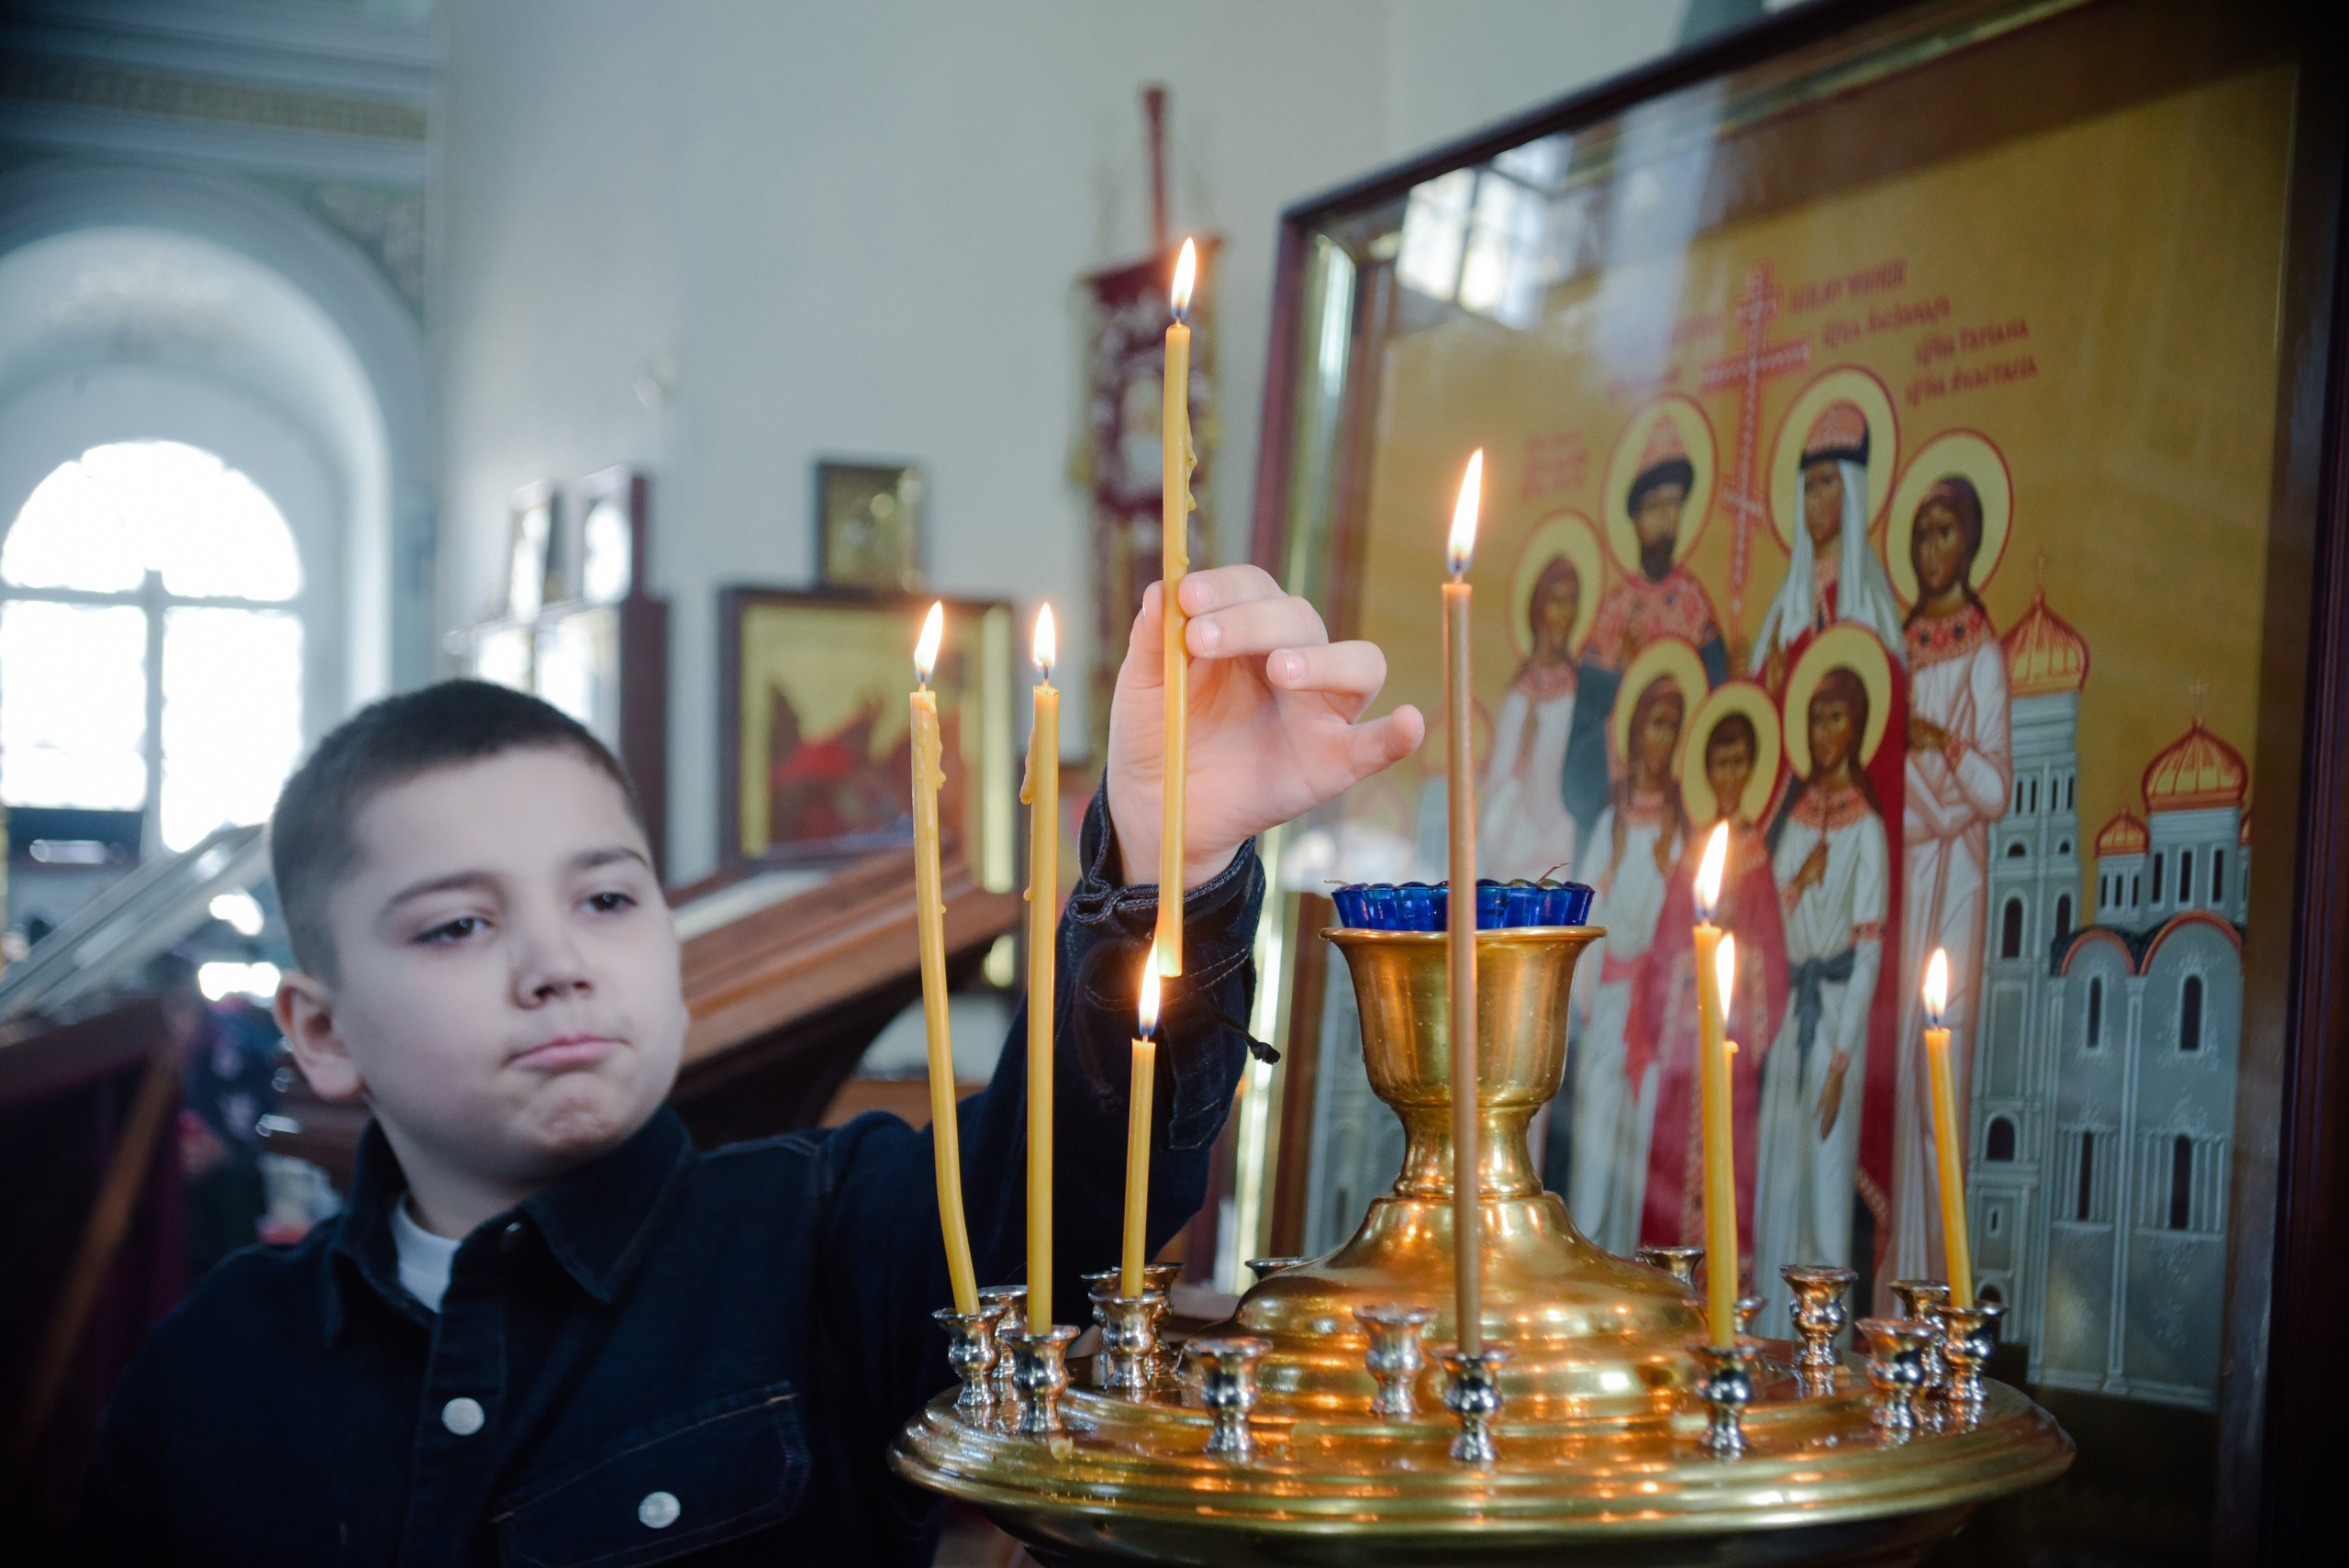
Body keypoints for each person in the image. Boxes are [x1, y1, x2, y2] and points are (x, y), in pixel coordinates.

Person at [74, 565, 1424, 1566]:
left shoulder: (828, 1239)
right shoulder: (211, 1377)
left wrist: (1167, 860)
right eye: (458, 924)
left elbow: (1075, 1171)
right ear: (318, 1029)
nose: (557, 963)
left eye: (604, 898)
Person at [1889, 477, 2011, 1287]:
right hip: (1905, 872)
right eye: (1922, 533)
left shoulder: (1983, 650)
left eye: (1947, 532)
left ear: (1969, 542)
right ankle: (1896, 1281)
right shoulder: (1896, 645)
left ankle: (1942, 1288)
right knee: (1899, 1084)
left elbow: (1996, 789)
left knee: (1943, 1068)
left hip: (1958, 879)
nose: (1933, 549)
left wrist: (1939, 742)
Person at [1752, 663, 1889, 1327]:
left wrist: (1840, 1063)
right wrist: (1801, 881)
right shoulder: (1796, 816)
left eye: (1838, 716)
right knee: (1782, 1173)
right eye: (1816, 717)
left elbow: (1868, 956)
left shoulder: (1868, 830)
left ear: (1858, 726)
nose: (1825, 730)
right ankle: (1777, 1336)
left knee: (1826, 1184)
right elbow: (1769, 918)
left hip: (1836, 1021)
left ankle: (1824, 1352)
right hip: (1790, 1015)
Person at [1627, 704, 1789, 1256]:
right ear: (1706, 770)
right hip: (1684, 1057)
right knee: (1669, 1178)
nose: (1727, 776)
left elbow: (1772, 960)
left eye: (1738, 764)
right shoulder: (1690, 858)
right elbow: (1665, 949)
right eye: (1718, 764)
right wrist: (1695, 959)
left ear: (1751, 771)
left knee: (1730, 1178)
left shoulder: (1759, 859)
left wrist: (1735, 948)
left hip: (1731, 1055)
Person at [1561, 417, 1730, 846]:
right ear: (1634, 519)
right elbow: (1578, 777)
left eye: (1674, 506)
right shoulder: (1613, 616)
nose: (1667, 521)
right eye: (1655, 507)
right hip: (1616, 823)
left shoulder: (1694, 606)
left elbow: (1718, 719)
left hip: (1681, 821)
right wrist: (1624, 684)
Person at [1567, 667, 1690, 1255]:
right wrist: (1589, 1001)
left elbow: (1692, 921)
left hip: (1657, 1014)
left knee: (1640, 1155)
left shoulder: (1681, 828)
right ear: (1636, 732)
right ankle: (1589, 1259)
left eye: (1673, 728)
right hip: (1609, 1004)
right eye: (1653, 725)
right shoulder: (1611, 821)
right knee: (1594, 1142)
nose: (1661, 740)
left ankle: (1629, 1269)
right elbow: (1584, 911)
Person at [1478, 553, 1583, 881]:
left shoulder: (1581, 692)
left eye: (1572, 602)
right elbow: (1499, 783)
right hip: (1518, 844)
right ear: (1538, 608)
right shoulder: (1519, 696)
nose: (1565, 613)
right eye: (1556, 601)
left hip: (1564, 838)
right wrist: (1524, 754)